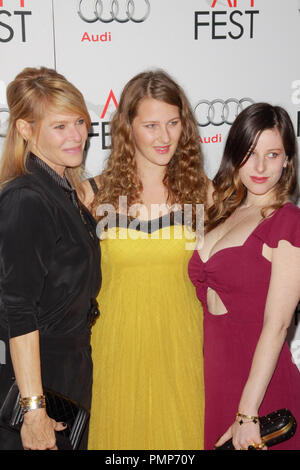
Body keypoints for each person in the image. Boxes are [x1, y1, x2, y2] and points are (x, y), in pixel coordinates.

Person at [81, 69, 212, 450]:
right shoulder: (94, 195)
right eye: (151, 125)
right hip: (114, 352)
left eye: (173, 123)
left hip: (184, 352)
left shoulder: (202, 193)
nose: (164, 136)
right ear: (127, 128)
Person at [188, 102, 300, 450]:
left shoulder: (288, 221)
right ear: (235, 153)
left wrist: (248, 412)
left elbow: (278, 324)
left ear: (287, 161)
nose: (261, 166)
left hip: (259, 394)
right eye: (250, 152)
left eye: (273, 154)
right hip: (212, 387)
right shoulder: (223, 211)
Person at [0, 67, 101, 450]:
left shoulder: (63, 191)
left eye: (79, 121)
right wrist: (34, 409)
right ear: (26, 130)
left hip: (68, 372)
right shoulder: (27, 198)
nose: (77, 135)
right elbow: (19, 310)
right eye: (60, 126)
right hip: (40, 378)